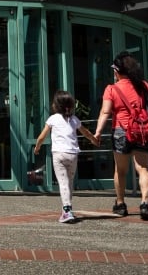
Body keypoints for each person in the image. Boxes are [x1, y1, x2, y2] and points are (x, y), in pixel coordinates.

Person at [93, 51, 148, 220]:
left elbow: (105, 111)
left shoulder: (111, 89)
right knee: (143, 168)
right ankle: (145, 203)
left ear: (118, 71)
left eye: (115, 70)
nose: (114, 73)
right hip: (141, 130)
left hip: (121, 131)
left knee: (120, 170)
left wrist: (98, 132)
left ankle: (120, 204)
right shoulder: (144, 86)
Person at [33, 90, 98, 223]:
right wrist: (94, 140)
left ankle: (67, 211)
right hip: (73, 154)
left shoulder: (53, 119)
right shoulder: (74, 119)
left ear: (56, 106)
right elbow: (85, 132)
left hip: (59, 155)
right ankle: (66, 209)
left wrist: (37, 147)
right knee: (69, 182)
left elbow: (42, 136)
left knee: (63, 183)